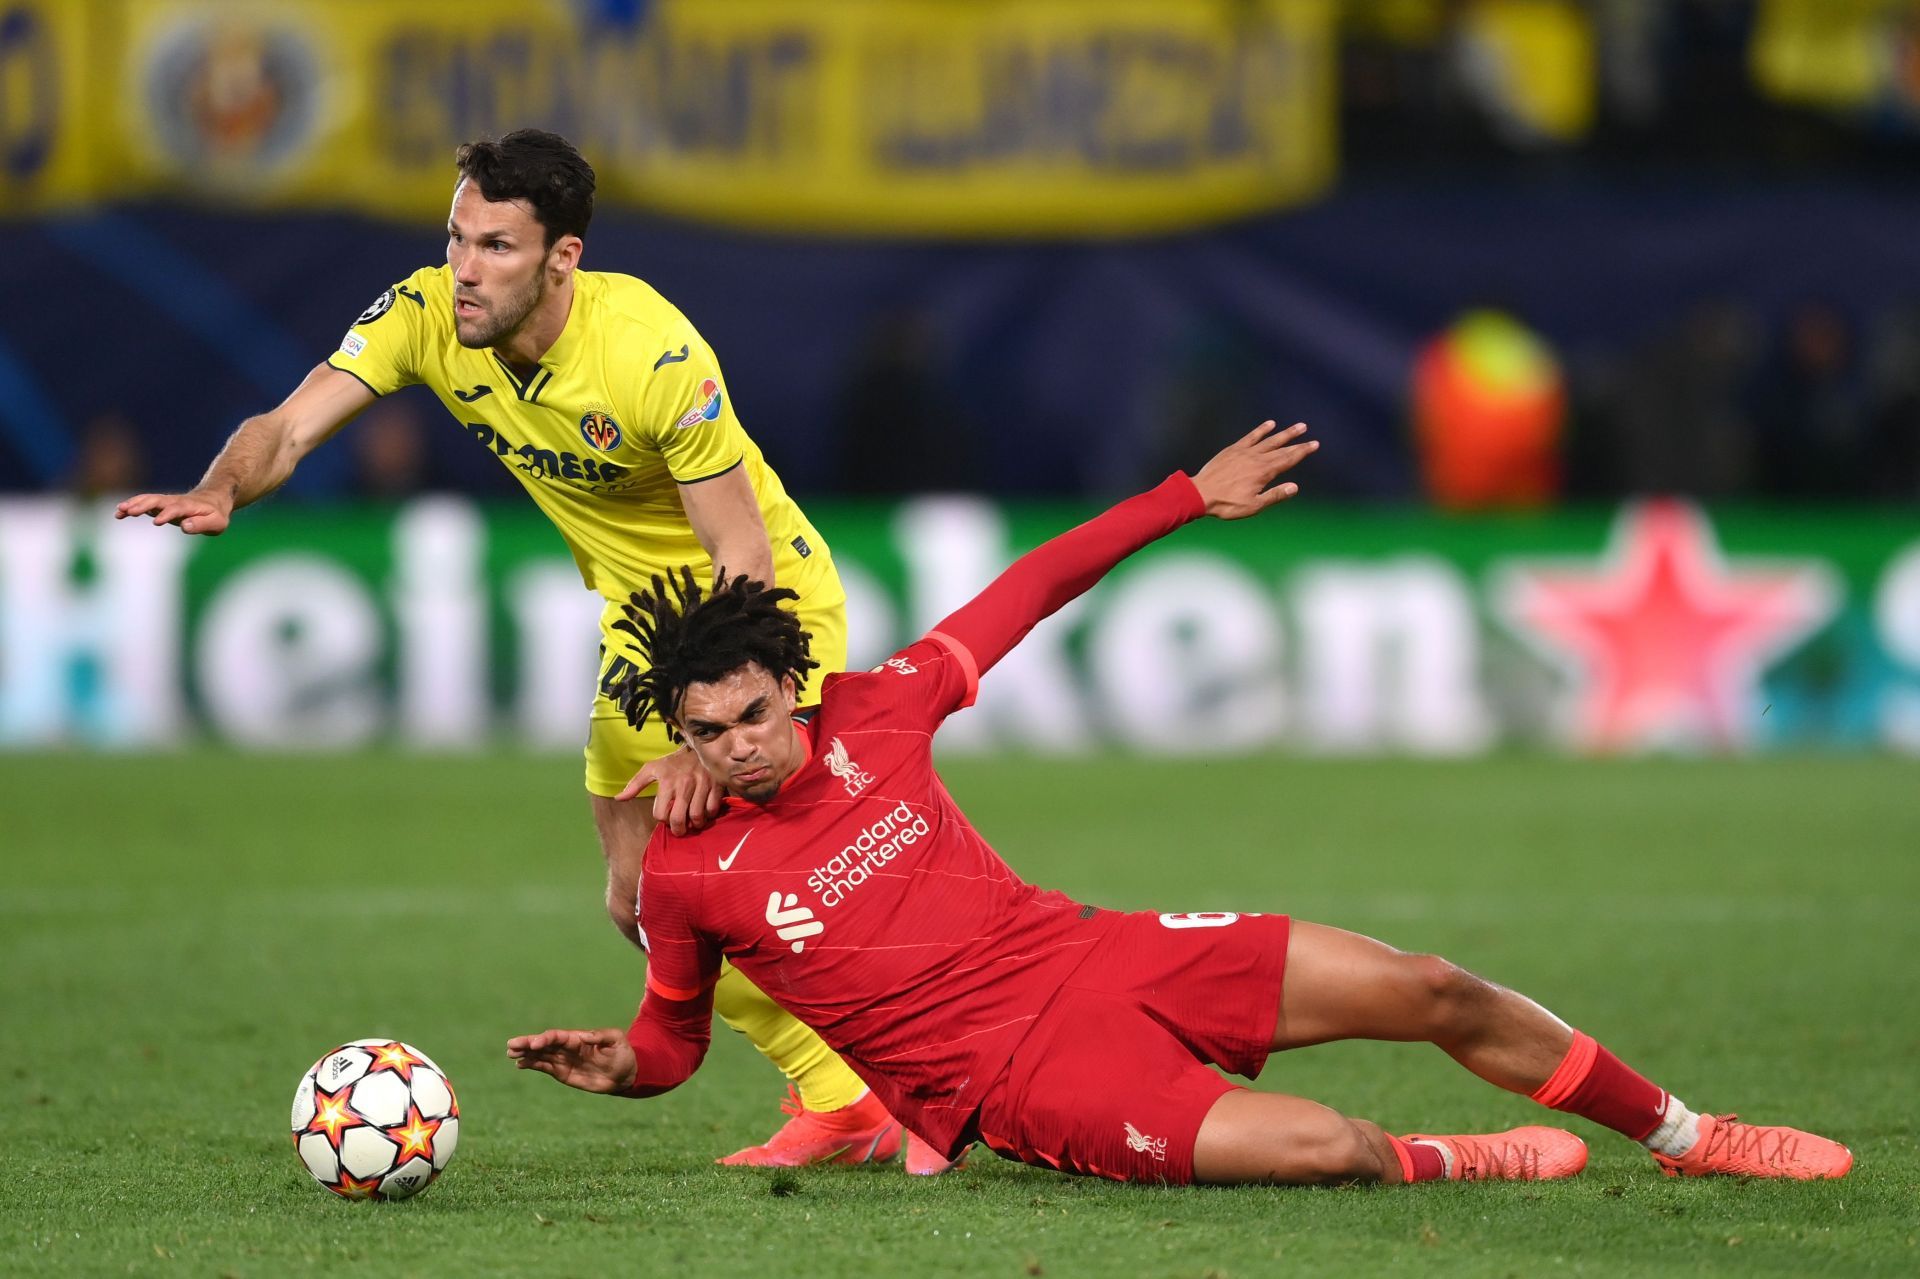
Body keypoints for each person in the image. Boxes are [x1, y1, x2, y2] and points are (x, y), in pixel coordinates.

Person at [508, 421, 1852, 1187]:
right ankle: (1459, 1157)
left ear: (792, 687)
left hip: (1088, 946)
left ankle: (1687, 1133)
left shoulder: (879, 707)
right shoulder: (692, 870)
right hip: (1016, 1075)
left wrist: (1183, 498)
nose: (740, 747)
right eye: (708, 731)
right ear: (677, 731)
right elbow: (673, 1038)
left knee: (1431, 984)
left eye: (754, 714)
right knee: (1329, 1148)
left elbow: (1024, 589)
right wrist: (617, 1066)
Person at [114, 128, 913, 1170]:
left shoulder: (652, 353)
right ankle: (845, 1099)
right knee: (640, 899)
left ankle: (910, 1076)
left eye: (495, 246)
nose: (464, 268)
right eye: (456, 236)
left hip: (760, 618)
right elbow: (290, 425)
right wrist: (222, 485)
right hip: (648, 625)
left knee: (765, 869)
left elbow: (742, 550)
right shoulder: (425, 317)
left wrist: (708, 730)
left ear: (561, 257)